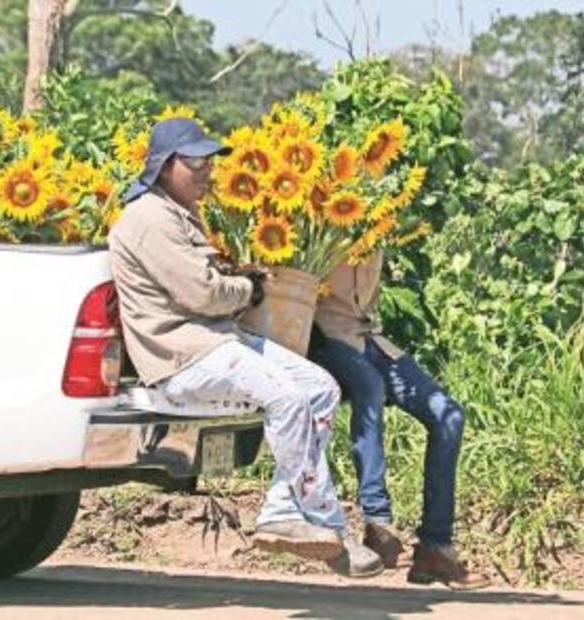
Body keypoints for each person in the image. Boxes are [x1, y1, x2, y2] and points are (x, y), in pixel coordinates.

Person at [107, 117, 382, 575]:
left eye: (210, 161)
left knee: (321, 388)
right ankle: (306, 520)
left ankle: (294, 509)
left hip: (217, 341)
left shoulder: (177, 212)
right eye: (194, 160)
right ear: (162, 165)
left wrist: (236, 281)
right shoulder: (148, 218)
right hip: (181, 355)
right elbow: (203, 294)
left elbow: (208, 285)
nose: (206, 171)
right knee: (289, 397)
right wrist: (248, 290)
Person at [309, 250, 491, 588]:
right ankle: (378, 524)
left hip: (369, 340)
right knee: (370, 386)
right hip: (323, 340)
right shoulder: (318, 207)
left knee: (449, 416)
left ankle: (435, 548)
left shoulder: (381, 217)